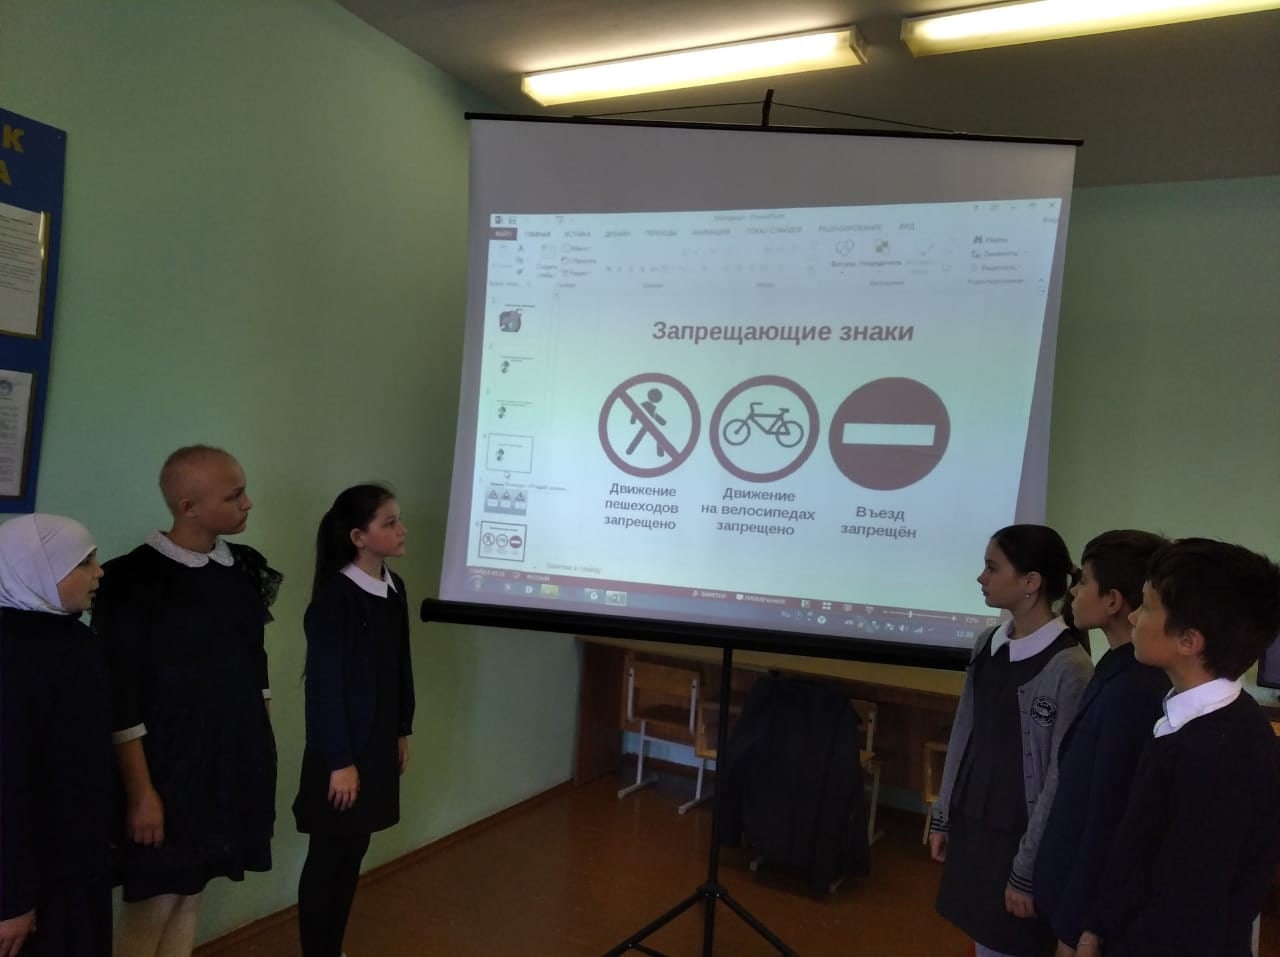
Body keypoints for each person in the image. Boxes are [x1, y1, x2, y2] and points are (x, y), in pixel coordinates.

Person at [94, 446, 281, 957]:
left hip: (227, 761)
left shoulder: (242, 569)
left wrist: (259, 753)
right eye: (234, 495)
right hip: (166, 769)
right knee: (155, 899)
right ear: (188, 507)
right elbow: (121, 694)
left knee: (190, 894)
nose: (248, 503)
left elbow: (255, 667)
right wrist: (141, 791)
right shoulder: (133, 579)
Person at [1077, 539, 1280, 957]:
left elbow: (1188, 912)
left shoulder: (1223, 756)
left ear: (1189, 640)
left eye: (1147, 606)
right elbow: (1137, 850)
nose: (1133, 615)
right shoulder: (1186, 720)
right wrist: (1098, 927)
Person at [931, 524, 1094, 957]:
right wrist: (943, 814)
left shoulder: (1070, 666)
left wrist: (1027, 866)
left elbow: (1059, 777)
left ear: (1031, 582)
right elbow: (965, 730)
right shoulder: (987, 643)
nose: (981, 577)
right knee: (983, 940)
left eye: (992, 567)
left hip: (1019, 838)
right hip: (975, 822)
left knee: (1012, 942)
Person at [1033, 530, 1171, 957]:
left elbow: (1106, 817)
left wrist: (1078, 926)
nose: (1073, 592)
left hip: (1085, 911)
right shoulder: (1115, 669)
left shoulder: (1132, 689)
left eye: (1083, 581)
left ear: (1113, 601)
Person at [293, 485, 415, 957]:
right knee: (329, 858)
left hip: (376, 745)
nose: (402, 530)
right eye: (389, 522)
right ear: (358, 537)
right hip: (340, 754)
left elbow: (400, 667)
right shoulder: (335, 600)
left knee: (352, 855)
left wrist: (401, 728)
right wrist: (339, 762)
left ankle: (331, 948)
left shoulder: (394, 587)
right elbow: (324, 690)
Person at [0, 515, 111, 957]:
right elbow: (6, 782)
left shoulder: (75, 639)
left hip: (76, 858)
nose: (99, 572)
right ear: (35, 568)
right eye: (84, 562)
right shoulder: (10, 654)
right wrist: (10, 898)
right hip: (27, 869)